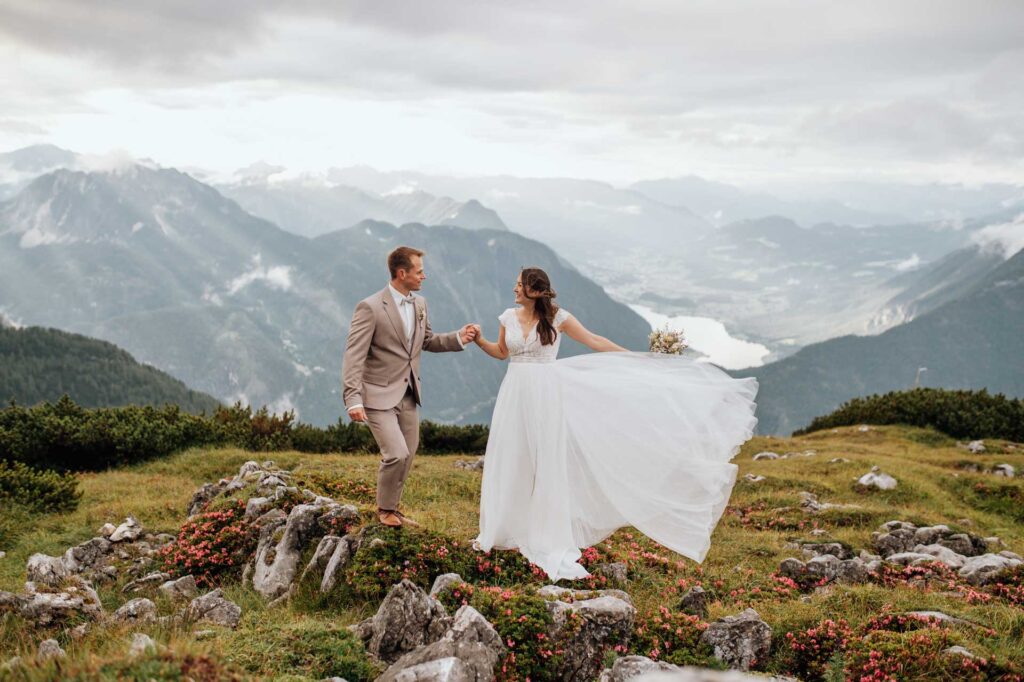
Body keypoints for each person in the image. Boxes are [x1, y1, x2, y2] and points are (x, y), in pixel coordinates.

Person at [471, 267, 758, 580]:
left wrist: (636, 360)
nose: (514, 291)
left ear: (535, 291)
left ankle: (542, 530)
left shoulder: (559, 318)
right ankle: (507, 526)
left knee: (546, 462)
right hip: (514, 393)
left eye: (519, 286)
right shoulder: (507, 318)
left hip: (546, 395)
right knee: (514, 457)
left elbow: (594, 340)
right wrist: (478, 340)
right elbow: (500, 353)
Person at [342, 246, 478, 528]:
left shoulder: (420, 305)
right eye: (419, 271)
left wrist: (459, 338)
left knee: (409, 452)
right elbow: (354, 355)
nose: (423, 276)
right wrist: (353, 398)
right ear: (402, 273)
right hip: (376, 394)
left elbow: (426, 341)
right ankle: (384, 511)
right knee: (396, 453)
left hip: (408, 394)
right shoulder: (369, 307)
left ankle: (393, 509)